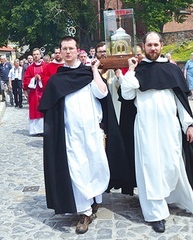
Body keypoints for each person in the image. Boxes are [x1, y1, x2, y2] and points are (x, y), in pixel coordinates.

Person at [121, 32, 193, 233]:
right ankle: (156, 213)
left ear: (161, 46)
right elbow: (127, 94)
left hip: (169, 128)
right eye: (149, 45)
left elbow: (181, 100)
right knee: (151, 168)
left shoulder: (171, 70)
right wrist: (130, 70)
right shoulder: (138, 71)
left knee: (172, 165)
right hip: (145, 129)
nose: (153, 48)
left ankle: (172, 197)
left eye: (156, 44)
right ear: (143, 46)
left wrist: (188, 124)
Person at [38, 36, 131, 234]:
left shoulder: (87, 73)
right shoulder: (57, 79)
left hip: (92, 130)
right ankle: (84, 212)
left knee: (96, 166)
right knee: (77, 168)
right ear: (60, 52)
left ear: (77, 50)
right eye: (64, 49)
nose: (68, 52)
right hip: (70, 133)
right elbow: (50, 109)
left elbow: (102, 92)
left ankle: (95, 198)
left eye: (71, 48)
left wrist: (94, 71)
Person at [22, 48, 46, 135]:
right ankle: (35, 130)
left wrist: (41, 79)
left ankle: (44, 129)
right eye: (34, 54)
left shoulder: (45, 66)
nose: (36, 56)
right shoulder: (30, 68)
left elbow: (49, 78)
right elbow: (26, 80)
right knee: (34, 110)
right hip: (34, 93)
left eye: (37, 54)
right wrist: (34, 79)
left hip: (44, 92)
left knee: (44, 110)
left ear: (40, 55)